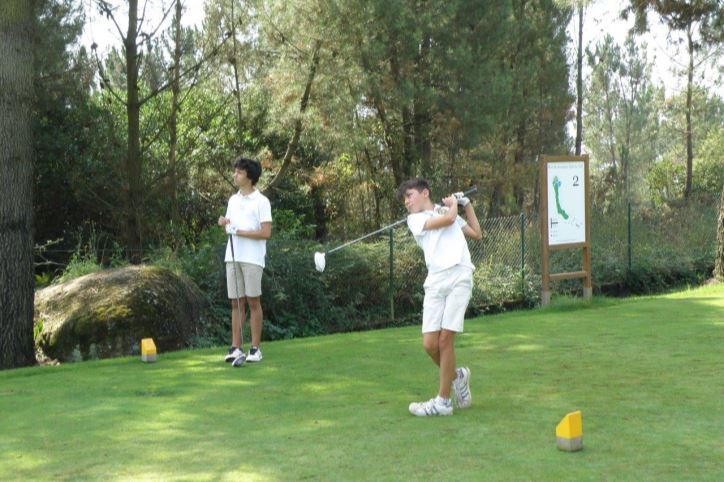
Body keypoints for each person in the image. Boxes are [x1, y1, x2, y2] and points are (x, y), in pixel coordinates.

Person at [397, 178, 482, 416]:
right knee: (429, 344)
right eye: (405, 199)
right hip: (435, 280)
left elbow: (476, 233)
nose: (406, 201)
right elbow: (447, 219)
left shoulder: (447, 210)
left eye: (410, 195)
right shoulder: (414, 220)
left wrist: (466, 204)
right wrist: (454, 205)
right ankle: (457, 377)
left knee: (445, 341)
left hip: (459, 275)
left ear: (425, 193)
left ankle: (443, 402)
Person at [218, 157, 272, 366]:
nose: (235, 175)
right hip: (232, 256)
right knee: (236, 303)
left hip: (252, 258)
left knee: (253, 301)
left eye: (239, 172)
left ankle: (255, 348)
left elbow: (266, 232)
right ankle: (235, 347)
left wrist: (239, 232)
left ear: (249, 176)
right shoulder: (233, 200)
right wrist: (224, 223)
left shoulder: (262, 201)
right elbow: (229, 226)